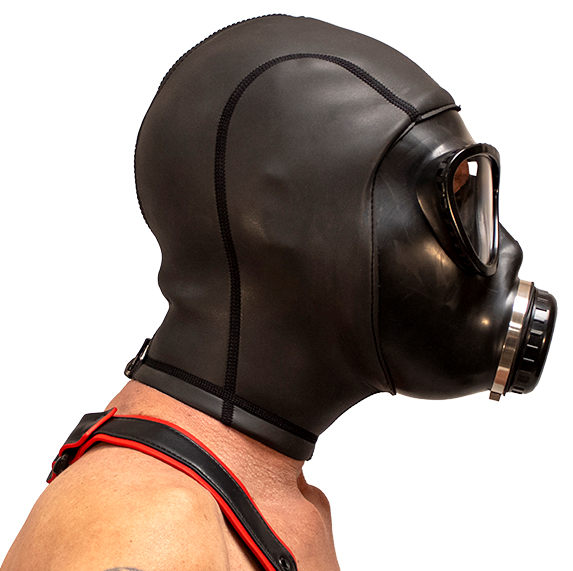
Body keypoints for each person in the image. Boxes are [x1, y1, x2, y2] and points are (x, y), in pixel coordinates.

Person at [1, 14, 556, 570]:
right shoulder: (149, 531)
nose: (501, 249)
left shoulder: (269, 503)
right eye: (452, 200)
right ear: (287, 221)